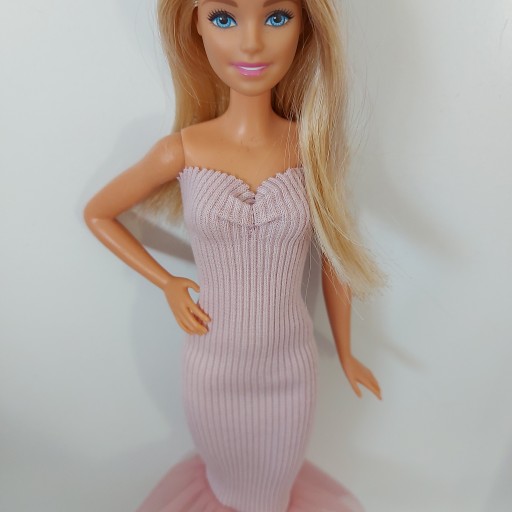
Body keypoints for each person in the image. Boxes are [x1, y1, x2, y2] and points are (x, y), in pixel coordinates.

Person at [84, 1, 387, 510]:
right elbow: (99, 214)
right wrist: (167, 283)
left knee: (273, 494)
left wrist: (347, 352)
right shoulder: (181, 151)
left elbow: (335, 257)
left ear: (306, 26)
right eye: (223, 18)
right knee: (226, 488)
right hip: (213, 371)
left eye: (276, 17)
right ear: (195, 24)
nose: (250, 43)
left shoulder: (310, 149)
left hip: (290, 373)